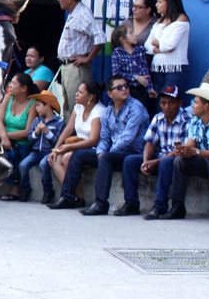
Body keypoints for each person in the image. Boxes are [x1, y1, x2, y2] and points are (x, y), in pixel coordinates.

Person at [63, 74, 149, 216]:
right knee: (79, 154)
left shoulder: (136, 108)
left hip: (133, 152)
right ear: (110, 93)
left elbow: (127, 138)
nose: (125, 89)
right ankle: (67, 196)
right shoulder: (108, 111)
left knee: (106, 157)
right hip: (112, 153)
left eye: (126, 86)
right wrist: (100, 152)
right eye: (119, 87)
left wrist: (106, 153)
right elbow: (104, 137)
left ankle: (101, 203)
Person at [152, 83, 209, 222]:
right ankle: (177, 206)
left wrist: (195, 151)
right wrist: (184, 151)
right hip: (201, 161)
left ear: (206, 106)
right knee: (179, 161)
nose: (192, 104)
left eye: (195, 102)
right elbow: (190, 145)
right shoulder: (195, 121)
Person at [127, 85, 189, 218]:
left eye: (171, 103)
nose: (167, 107)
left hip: (176, 159)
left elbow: (181, 150)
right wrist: (145, 161)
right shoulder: (158, 118)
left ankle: (160, 206)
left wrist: (156, 161)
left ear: (180, 103)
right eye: (163, 103)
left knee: (165, 163)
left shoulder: (187, 120)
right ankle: (131, 204)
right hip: (160, 156)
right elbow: (149, 142)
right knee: (130, 161)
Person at [50, 0, 105, 115]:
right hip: (68, 67)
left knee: (77, 106)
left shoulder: (82, 14)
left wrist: (87, 58)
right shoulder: (74, 14)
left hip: (76, 68)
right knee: (69, 106)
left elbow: (100, 37)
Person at [47, 80, 104, 207]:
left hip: (93, 147)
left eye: (80, 92)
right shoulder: (78, 107)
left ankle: (73, 196)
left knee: (68, 157)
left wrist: (68, 147)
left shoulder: (99, 111)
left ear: (90, 97)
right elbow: (68, 129)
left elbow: (93, 140)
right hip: (76, 145)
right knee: (55, 159)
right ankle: (74, 196)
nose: (76, 94)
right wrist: (56, 148)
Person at [0, 72, 38, 201]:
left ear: (23, 88)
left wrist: (7, 136)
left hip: (22, 142)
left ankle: (15, 188)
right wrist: (3, 137)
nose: (10, 86)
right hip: (4, 138)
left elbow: (27, 131)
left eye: (14, 83)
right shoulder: (8, 98)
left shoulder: (33, 104)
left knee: (13, 153)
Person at [20, 91, 64, 203]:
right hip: (36, 151)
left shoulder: (59, 122)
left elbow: (57, 141)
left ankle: (48, 191)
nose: (36, 108)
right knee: (23, 165)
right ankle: (25, 188)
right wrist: (37, 132)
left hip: (49, 151)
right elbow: (30, 138)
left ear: (48, 106)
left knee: (44, 164)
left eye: (39, 105)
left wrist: (47, 132)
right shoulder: (36, 121)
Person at [145, 0, 190, 95]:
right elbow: (147, 44)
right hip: (157, 66)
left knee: (170, 99)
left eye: (160, 2)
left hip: (174, 68)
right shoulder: (159, 21)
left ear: (169, 3)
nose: (156, 5)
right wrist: (156, 48)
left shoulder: (181, 20)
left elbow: (170, 44)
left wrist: (158, 43)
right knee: (157, 99)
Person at [110, 25, 153, 110]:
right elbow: (116, 73)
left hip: (140, 89)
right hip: (125, 89)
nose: (135, 35)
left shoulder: (140, 50)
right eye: (131, 33)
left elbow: (145, 70)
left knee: (139, 111)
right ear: (122, 39)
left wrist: (150, 88)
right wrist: (135, 77)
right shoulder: (117, 53)